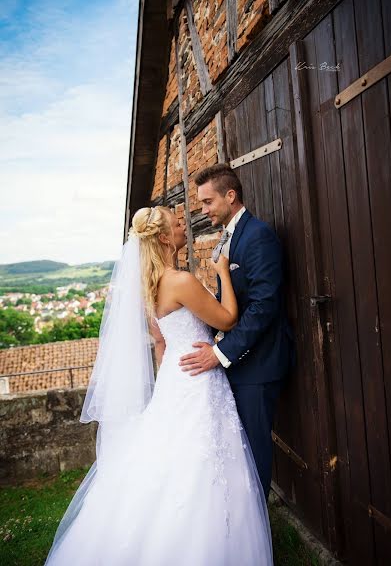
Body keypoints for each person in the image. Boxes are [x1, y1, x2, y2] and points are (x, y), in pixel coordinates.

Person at [45, 205, 273, 566]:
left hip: (174, 378)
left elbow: (162, 344)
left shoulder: (146, 287)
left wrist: (168, 382)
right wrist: (223, 274)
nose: (184, 225)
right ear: (165, 237)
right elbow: (228, 320)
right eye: (177, 222)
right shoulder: (180, 281)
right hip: (198, 379)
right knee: (204, 462)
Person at [179, 164, 293, 501]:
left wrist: (219, 353)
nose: (203, 210)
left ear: (231, 196)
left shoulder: (257, 235)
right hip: (240, 360)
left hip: (261, 364)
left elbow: (264, 305)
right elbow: (229, 301)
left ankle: (256, 534)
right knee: (239, 448)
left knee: (255, 451)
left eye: (207, 201)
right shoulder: (228, 236)